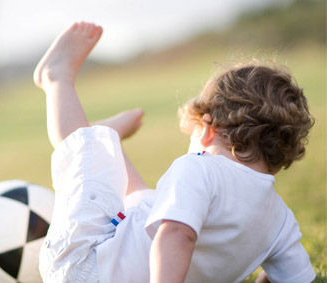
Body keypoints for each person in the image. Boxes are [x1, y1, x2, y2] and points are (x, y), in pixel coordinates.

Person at [33, 22, 316, 283]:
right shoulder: (281, 220)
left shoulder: (199, 169)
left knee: (81, 149)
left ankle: (56, 79)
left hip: (84, 266)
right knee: (147, 202)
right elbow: (299, 278)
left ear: (208, 129)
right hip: (120, 249)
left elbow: (177, 235)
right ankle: (109, 143)